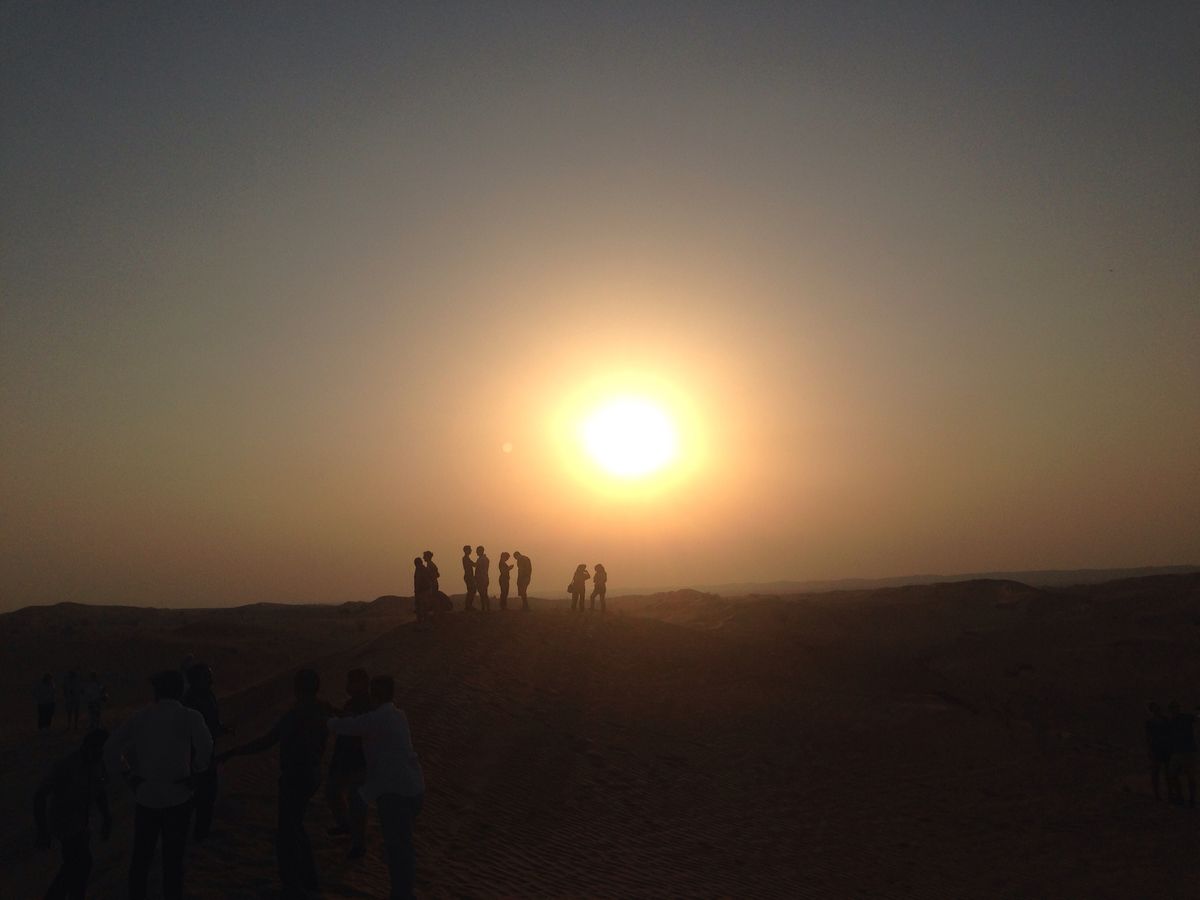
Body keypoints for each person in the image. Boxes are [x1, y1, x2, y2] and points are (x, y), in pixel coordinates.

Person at [218, 668, 330, 898]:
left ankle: (293, 885)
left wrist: (235, 751)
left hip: (296, 777)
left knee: (287, 834)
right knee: (295, 826)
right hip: (312, 774)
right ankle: (309, 880)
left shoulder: (296, 715)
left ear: (297, 688)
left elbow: (267, 740)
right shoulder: (322, 710)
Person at [104, 670, 213, 900]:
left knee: (141, 858)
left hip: (147, 796)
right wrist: (197, 770)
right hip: (178, 796)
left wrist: (128, 775)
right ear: (180, 690)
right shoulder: (189, 717)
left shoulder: (140, 717)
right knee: (173, 860)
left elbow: (111, 747)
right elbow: (206, 746)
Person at [328, 674, 425, 900]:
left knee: (398, 850)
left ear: (375, 695)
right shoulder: (398, 715)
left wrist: (326, 720)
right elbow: (359, 722)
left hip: (395, 793)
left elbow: (348, 726)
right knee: (400, 847)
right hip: (412, 788)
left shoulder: (377, 719)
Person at [35, 729, 112, 900]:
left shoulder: (97, 762)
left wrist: (107, 818)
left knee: (77, 866)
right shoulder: (67, 766)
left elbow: (100, 791)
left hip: (81, 822)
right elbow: (40, 795)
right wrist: (42, 830)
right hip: (64, 821)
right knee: (80, 864)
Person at [327, 668, 372, 858]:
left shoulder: (370, 704)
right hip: (345, 758)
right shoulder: (352, 702)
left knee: (356, 802)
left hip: (360, 760)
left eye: (353, 682)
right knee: (333, 792)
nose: (349, 685)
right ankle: (345, 826)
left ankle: (359, 844)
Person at [183, 663, 229, 841]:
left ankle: (200, 835)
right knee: (193, 798)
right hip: (193, 757)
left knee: (207, 797)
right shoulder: (189, 701)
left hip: (207, 754)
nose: (211, 680)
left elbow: (211, 722)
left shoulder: (208, 696)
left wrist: (220, 728)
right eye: (207, 677)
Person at [1167, 701, 1197, 808]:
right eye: (1172, 709)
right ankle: (1181, 797)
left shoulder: (1186, 718)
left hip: (1187, 751)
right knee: (1173, 775)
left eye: (1175, 708)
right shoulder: (1172, 721)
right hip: (1178, 751)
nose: (1174, 710)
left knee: (1189, 776)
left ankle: (1191, 799)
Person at [1146, 702, 1171, 801]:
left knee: (1166, 772)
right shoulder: (1150, 722)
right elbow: (1148, 737)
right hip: (1156, 749)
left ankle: (1169, 793)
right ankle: (1157, 794)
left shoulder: (1165, 720)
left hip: (1165, 749)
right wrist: (1150, 749)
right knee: (1156, 772)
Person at [412, 557, 431, 626]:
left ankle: (422, 622)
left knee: (421, 607)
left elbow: (418, 581)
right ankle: (423, 621)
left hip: (422, 591)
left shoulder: (420, 570)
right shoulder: (423, 569)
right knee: (423, 607)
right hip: (424, 590)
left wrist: (417, 590)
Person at [475, 546, 491, 613]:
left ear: (481, 551)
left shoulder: (482, 559)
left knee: (483, 594)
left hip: (482, 578)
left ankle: (485, 607)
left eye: (477, 551)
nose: (476, 552)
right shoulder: (484, 559)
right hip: (483, 578)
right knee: (484, 593)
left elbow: (478, 568)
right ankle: (486, 607)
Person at [461, 545, 476, 610]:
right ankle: (468, 606)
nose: (471, 550)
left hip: (469, 576)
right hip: (468, 576)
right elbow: (474, 565)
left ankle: (469, 605)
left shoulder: (467, 558)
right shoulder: (465, 558)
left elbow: (474, 565)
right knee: (471, 591)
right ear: (466, 550)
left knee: (472, 591)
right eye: (470, 549)